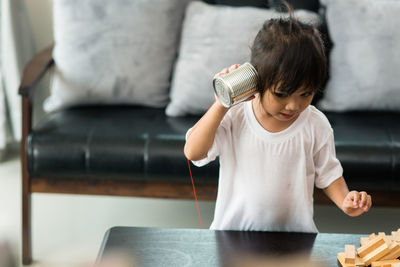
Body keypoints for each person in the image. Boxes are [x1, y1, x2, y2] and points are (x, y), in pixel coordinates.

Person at [184, 6, 372, 233]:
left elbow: (329, 174)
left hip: (295, 239)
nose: (294, 106)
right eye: (281, 94)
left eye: (306, 94)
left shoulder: (316, 124)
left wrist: (345, 200)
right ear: (256, 81)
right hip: (232, 236)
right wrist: (222, 103)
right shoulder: (235, 115)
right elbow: (193, 152)